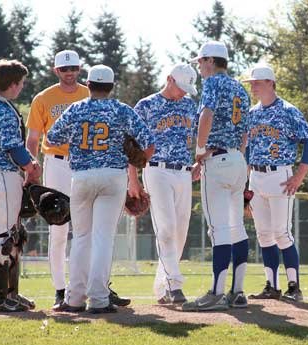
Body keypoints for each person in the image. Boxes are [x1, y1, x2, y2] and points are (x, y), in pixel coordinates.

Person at [47, 64, 155, 314]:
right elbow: (149, 143)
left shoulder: (76, 108)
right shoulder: (121, 110)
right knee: (103, 237)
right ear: (111, 86)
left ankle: (74, 299)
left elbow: (52, 138)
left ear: (89, 84)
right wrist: (139, 161)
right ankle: (98, 298)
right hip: (113, 177)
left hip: (82, 176)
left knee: (82, 237)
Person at [182, 41, 251, 312]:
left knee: (219, 229)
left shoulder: (213, 83)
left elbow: (206, 115)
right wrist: (239, 158)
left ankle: (216, 293)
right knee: (237, 228)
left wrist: (200, 152)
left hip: (217, 159)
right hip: (237, 158)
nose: (199, 66)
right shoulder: (240, 88)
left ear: (211, 60)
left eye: (200, 61)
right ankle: (238, 292)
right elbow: (246, 131)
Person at [242, 64, 308, 302]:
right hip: (256, 176)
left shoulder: (288, 110)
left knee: (282, 233)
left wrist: (299, 176)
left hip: (280, 176)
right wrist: (245, 185)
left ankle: (294, 287)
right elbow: (248, 151)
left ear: (270, 83)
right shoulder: (252, 114)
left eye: (256, 82)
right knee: (264, 235)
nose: (252, 86)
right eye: (251, 83)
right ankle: (271, 286)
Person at [0, 59, 42, 312]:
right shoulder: (1, 109)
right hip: (0, 174)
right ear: (12, 85)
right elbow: (12, 146)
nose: (21, 87)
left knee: (12, 236)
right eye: (21, 83)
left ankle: (10, 294)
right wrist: (31, 166)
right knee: (2, 237)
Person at [26, 50, 89, 308]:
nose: (70, 72)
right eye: (65, 69)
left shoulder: (88, 93)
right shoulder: (44, 98)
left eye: (74, 67)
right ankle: (60, 289)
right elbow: (32, 139)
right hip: (57, 164)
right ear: (56, 71)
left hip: (85, 163)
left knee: (88, 228)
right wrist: (30, 169)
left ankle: (96, 286)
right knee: (58, 227)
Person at [133, 64, 198, 305]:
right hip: (156, 169)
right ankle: (174, 285)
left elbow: (201, 135)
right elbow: (131, 146)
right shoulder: (146, 105)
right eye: (180, 87)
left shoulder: (190, 105)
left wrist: (199, 161)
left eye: (187, 88)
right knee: (167, 228)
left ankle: (162, 286)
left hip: (184, 172)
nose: (183, 92)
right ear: (169, 79)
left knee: (180, 233)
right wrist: (134, 180)